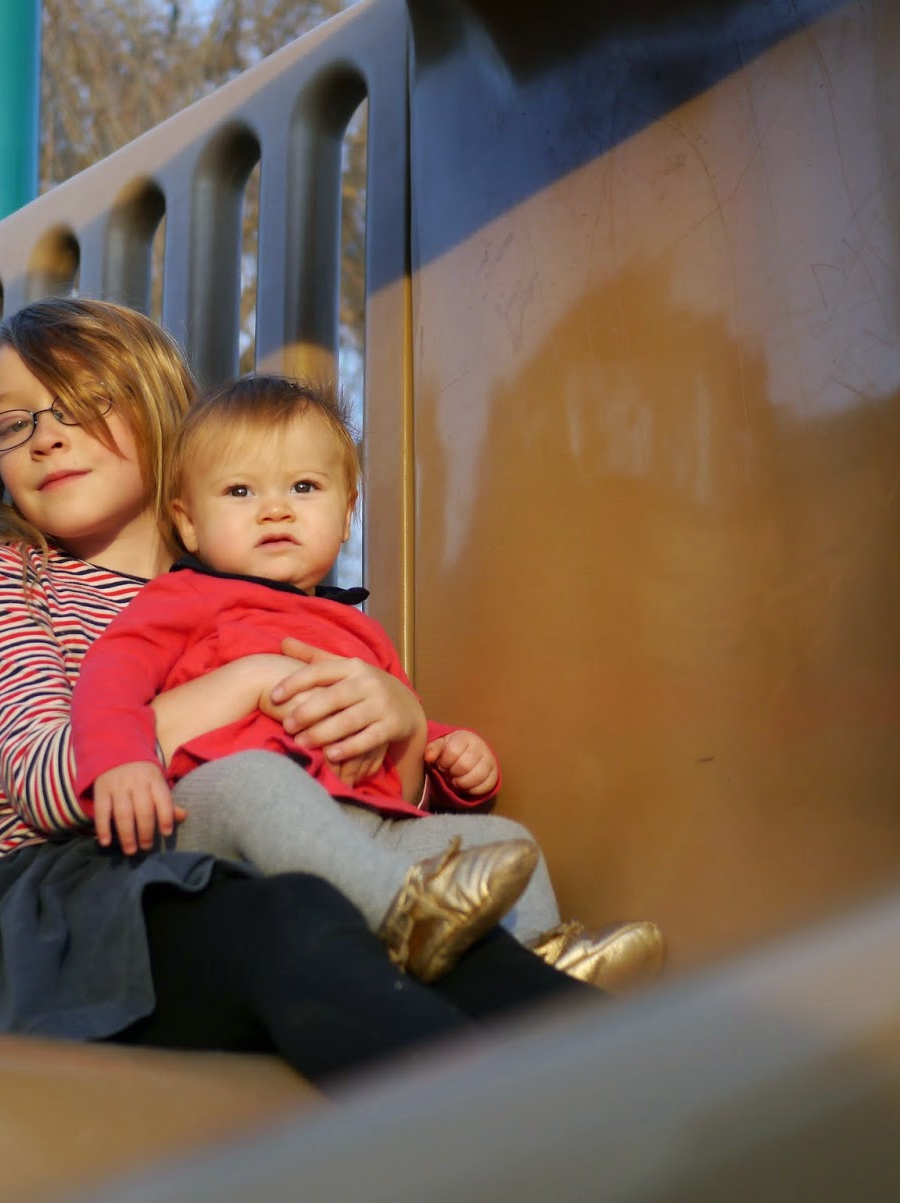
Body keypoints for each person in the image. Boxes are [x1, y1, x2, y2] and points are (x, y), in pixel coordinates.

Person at [0, 297, 593, 1087]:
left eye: (83, 402)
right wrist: (251, 682)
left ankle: (605, 1063)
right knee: (294, 917)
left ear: (158, 407)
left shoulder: (252, 584)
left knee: (416, 921)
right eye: (11, 422)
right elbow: (46, 778)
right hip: (49, 920)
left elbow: (356, 801)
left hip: (208, 875)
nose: (46, 435)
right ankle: (494, 1118)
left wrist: (405, 726)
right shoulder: (10, 578)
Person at [71, 375, 664, 989]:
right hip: (218, 817)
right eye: (240, 491)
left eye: (304, 487)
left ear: (348, 513)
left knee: (502, 838)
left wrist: (445, 754)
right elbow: (109, 677)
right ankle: (407, 920)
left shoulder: (359, 632)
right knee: (260, 782)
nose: (275, 509)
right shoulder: (186, 597)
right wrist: (121, 761)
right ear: (189, 523)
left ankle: (538, 966)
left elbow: (394, 748)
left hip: (365, 827)